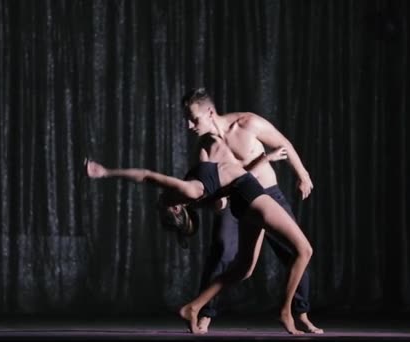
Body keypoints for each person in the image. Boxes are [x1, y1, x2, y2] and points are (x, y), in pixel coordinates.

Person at [85, 139, 313, 335]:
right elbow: (146, 176)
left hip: (244, 197)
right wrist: (106, 172)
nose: (159, 201)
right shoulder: (188, 191)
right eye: (160, 205)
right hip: (249, 193)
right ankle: (285, 312)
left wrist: (262, 160)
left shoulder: (195, 193)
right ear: (175, 208)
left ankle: (193, 307)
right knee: (304, 250)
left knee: (244, 268)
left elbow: (223, 184)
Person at [181, 88, 323, 333]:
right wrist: (217, 202)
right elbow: (215, 189)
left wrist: (303, 174)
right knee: (225, 251)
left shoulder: (248, 123)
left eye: (194, 119)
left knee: (268, 260)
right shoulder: (204, 149)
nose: (189, 125)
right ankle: (204, 313)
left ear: (210, 112)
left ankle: (300, 313)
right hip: (240, 201)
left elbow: (283, 143)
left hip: (268, 196)